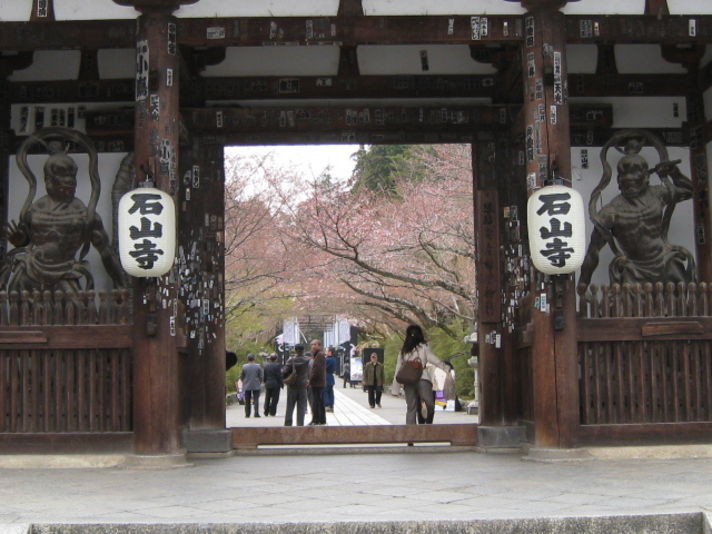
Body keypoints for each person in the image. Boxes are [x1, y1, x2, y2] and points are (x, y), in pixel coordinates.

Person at [1, 141, 125, 293]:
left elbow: (105, 252)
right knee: (20, 303)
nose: (68, 183)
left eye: (70, 179)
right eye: (58, 178)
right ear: (48, 180)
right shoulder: (35, 210)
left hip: (66, 274)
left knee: (72, 304)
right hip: (31, 271)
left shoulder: (84, 215)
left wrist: (121, 284)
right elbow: (26, 239)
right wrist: (19, 240)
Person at [578, 136, 695, 293]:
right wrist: (583, 283)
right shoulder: (611, 212)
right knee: (628, 302)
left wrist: (675, 173)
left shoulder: (658, 194)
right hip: (634, 267)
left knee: (685, 294)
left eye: (634, 174)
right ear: (618, 180)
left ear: (646, 177)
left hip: (664, 260)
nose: (629, 178)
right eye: (624, 175)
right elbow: (593, 252)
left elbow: (690, 191)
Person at [393, 324, 448, 425]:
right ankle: (422, 418)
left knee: (413, 407)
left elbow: (398, 369)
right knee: (425, 403)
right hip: (418, 378)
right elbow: (434, 359)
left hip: (413, 379)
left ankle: (413, 429)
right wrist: (446, 368)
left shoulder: (407, 349)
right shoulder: (421, 347)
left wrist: (395, 389)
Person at [282, 344, 310, 426]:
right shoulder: (307, 360)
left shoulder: (291, 360)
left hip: (292, 386)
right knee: (301, 407)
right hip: (303, 386)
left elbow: (284, 372)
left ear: (295, 350)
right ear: (303, 350)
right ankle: (300, 424)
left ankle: (288, 424)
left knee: (290, 406)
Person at [308, 339, 327, 425]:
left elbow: (316, 370)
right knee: (318, 402)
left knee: (316, 402)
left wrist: (310, 380)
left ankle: (316, 419)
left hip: (317, 383)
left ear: (319, 346)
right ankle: (320, 420)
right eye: (312, 345)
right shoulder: (317, 355)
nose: (313, 346)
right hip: (318, 383)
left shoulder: (319, 355)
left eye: (315, 344)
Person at [239, 353, 263, 418]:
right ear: (254, 359)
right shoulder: (258, 366)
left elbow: (241, 376)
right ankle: (256, 413)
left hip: (247, 385)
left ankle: (247, 414)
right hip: (256, 385)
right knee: (256, 400)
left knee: (247, 400)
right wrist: (259, 382)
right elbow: (261, 376)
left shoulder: (244, 366)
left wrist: (244, 382)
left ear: (247, 359)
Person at [323, 346, 337, 412]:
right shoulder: (334, 359)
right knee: (330, 392)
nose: (325, 352)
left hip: (326, 376)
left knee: (325, 391)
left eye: (327, 351)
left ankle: (327, 405)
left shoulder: (327, 359)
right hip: (331, 377)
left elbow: (323, 367)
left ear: (330, 352)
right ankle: (331, 406)